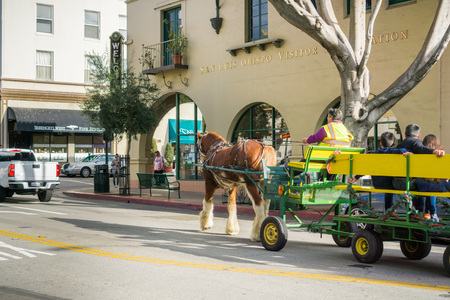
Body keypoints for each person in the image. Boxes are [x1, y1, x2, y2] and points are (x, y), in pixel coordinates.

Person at [348, 132, 412, 216]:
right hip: (390, 185)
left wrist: (356, 178)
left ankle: (389, 211)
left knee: (388, 184)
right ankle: (410, 211)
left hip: (377, 184)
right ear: (394, 143)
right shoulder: (394, 152)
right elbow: (405, 151)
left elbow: (366, 168)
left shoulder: (373, 154)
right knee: (403, 185)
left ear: (380, 143)